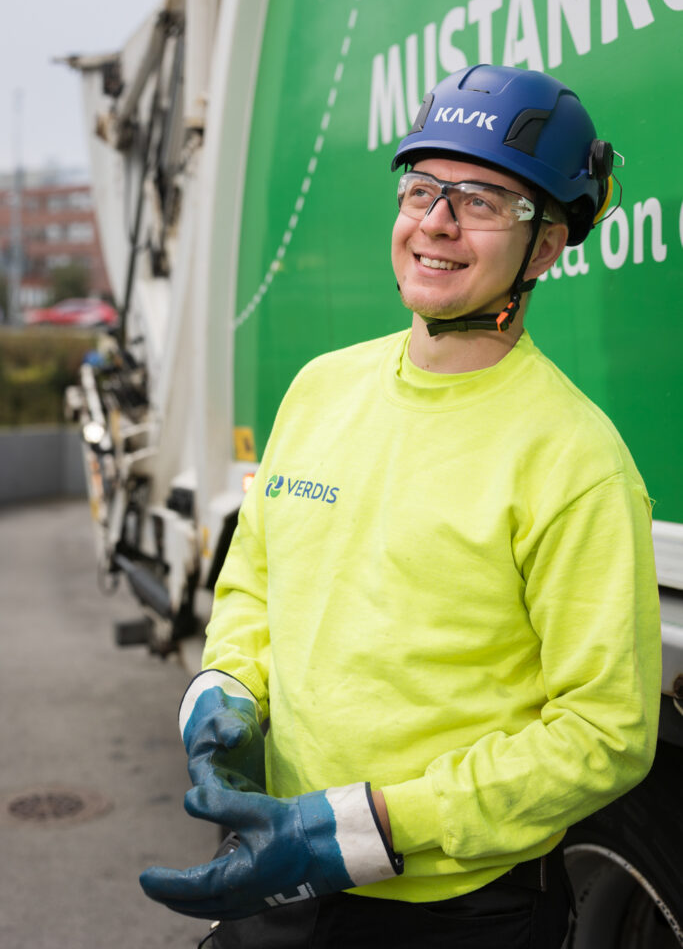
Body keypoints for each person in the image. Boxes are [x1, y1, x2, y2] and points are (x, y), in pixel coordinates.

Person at [139, 64, 662, 949]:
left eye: (483, 200)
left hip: (460, 912)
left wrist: (360, 830)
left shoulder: (574, 459)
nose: (435, 222)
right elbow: (256, 590)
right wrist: (224, 696)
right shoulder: (318, 389)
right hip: (281, 877)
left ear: (543, 248)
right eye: (421, 188)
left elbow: (602, 734)